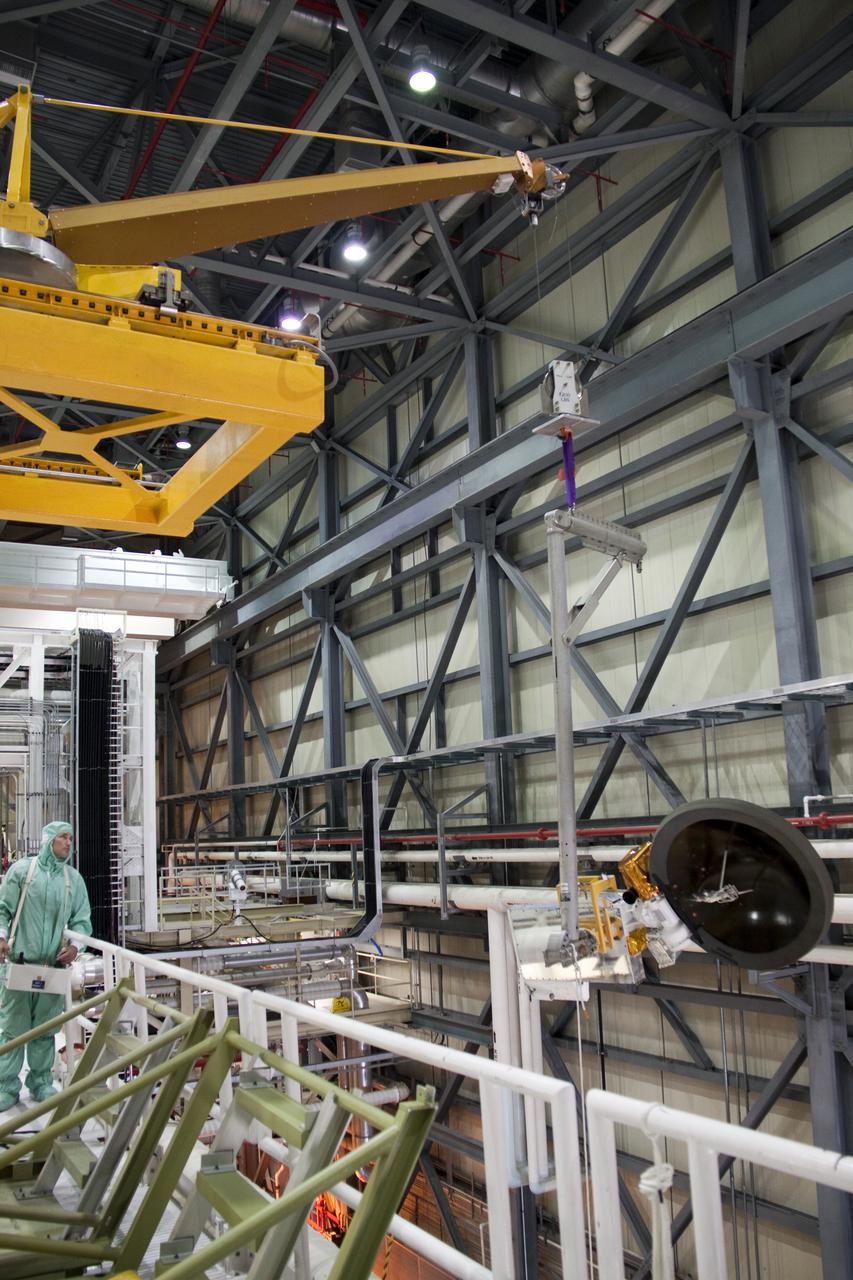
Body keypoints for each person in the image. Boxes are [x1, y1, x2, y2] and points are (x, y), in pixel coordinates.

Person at [0, 821, 92, 1110]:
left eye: (70, 838)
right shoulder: (22, 873)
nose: (69, 843)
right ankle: (5, 1086)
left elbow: (82, 921)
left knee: (45, 1029)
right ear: (48, 840)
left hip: (51, 968)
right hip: (19, 963)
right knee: (13, 1029)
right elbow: (3, 909)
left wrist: (76, 946)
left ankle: (40, 1082)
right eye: (63, 837)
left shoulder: (73, 880)